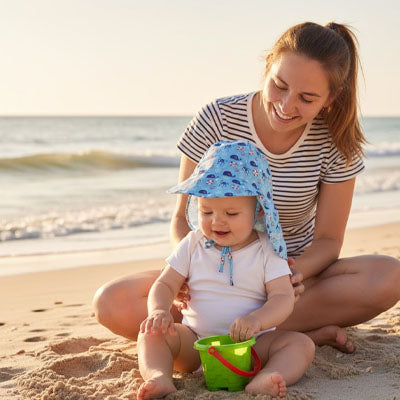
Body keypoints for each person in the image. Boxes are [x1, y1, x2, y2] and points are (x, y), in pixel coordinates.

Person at [93, 21, 400, 353]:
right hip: (212, 276)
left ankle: (238, 334)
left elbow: (328, 241)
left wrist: (290, 276)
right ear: (268, 65)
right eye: (279, 85)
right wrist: (186, 274)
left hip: (291, 279)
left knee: (389, 276)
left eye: (306, 98)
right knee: (111, 302)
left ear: (331, 98)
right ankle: (285, 337)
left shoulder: (335, 142)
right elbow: (183, 217)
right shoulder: (217, 119)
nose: (286, 105)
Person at [137, 140, 315, 399]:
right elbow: (164, 284)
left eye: (231, 213)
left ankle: (266, 377)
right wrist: (159, 310)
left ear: (258, 214)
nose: (216, 221)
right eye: (206, 211)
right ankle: (159, 377)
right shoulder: (193, 243)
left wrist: (257, 321)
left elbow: (283, 298)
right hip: (196, 344)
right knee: (151, 335)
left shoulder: (268, 250)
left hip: (253, 346)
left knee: (300, 345)